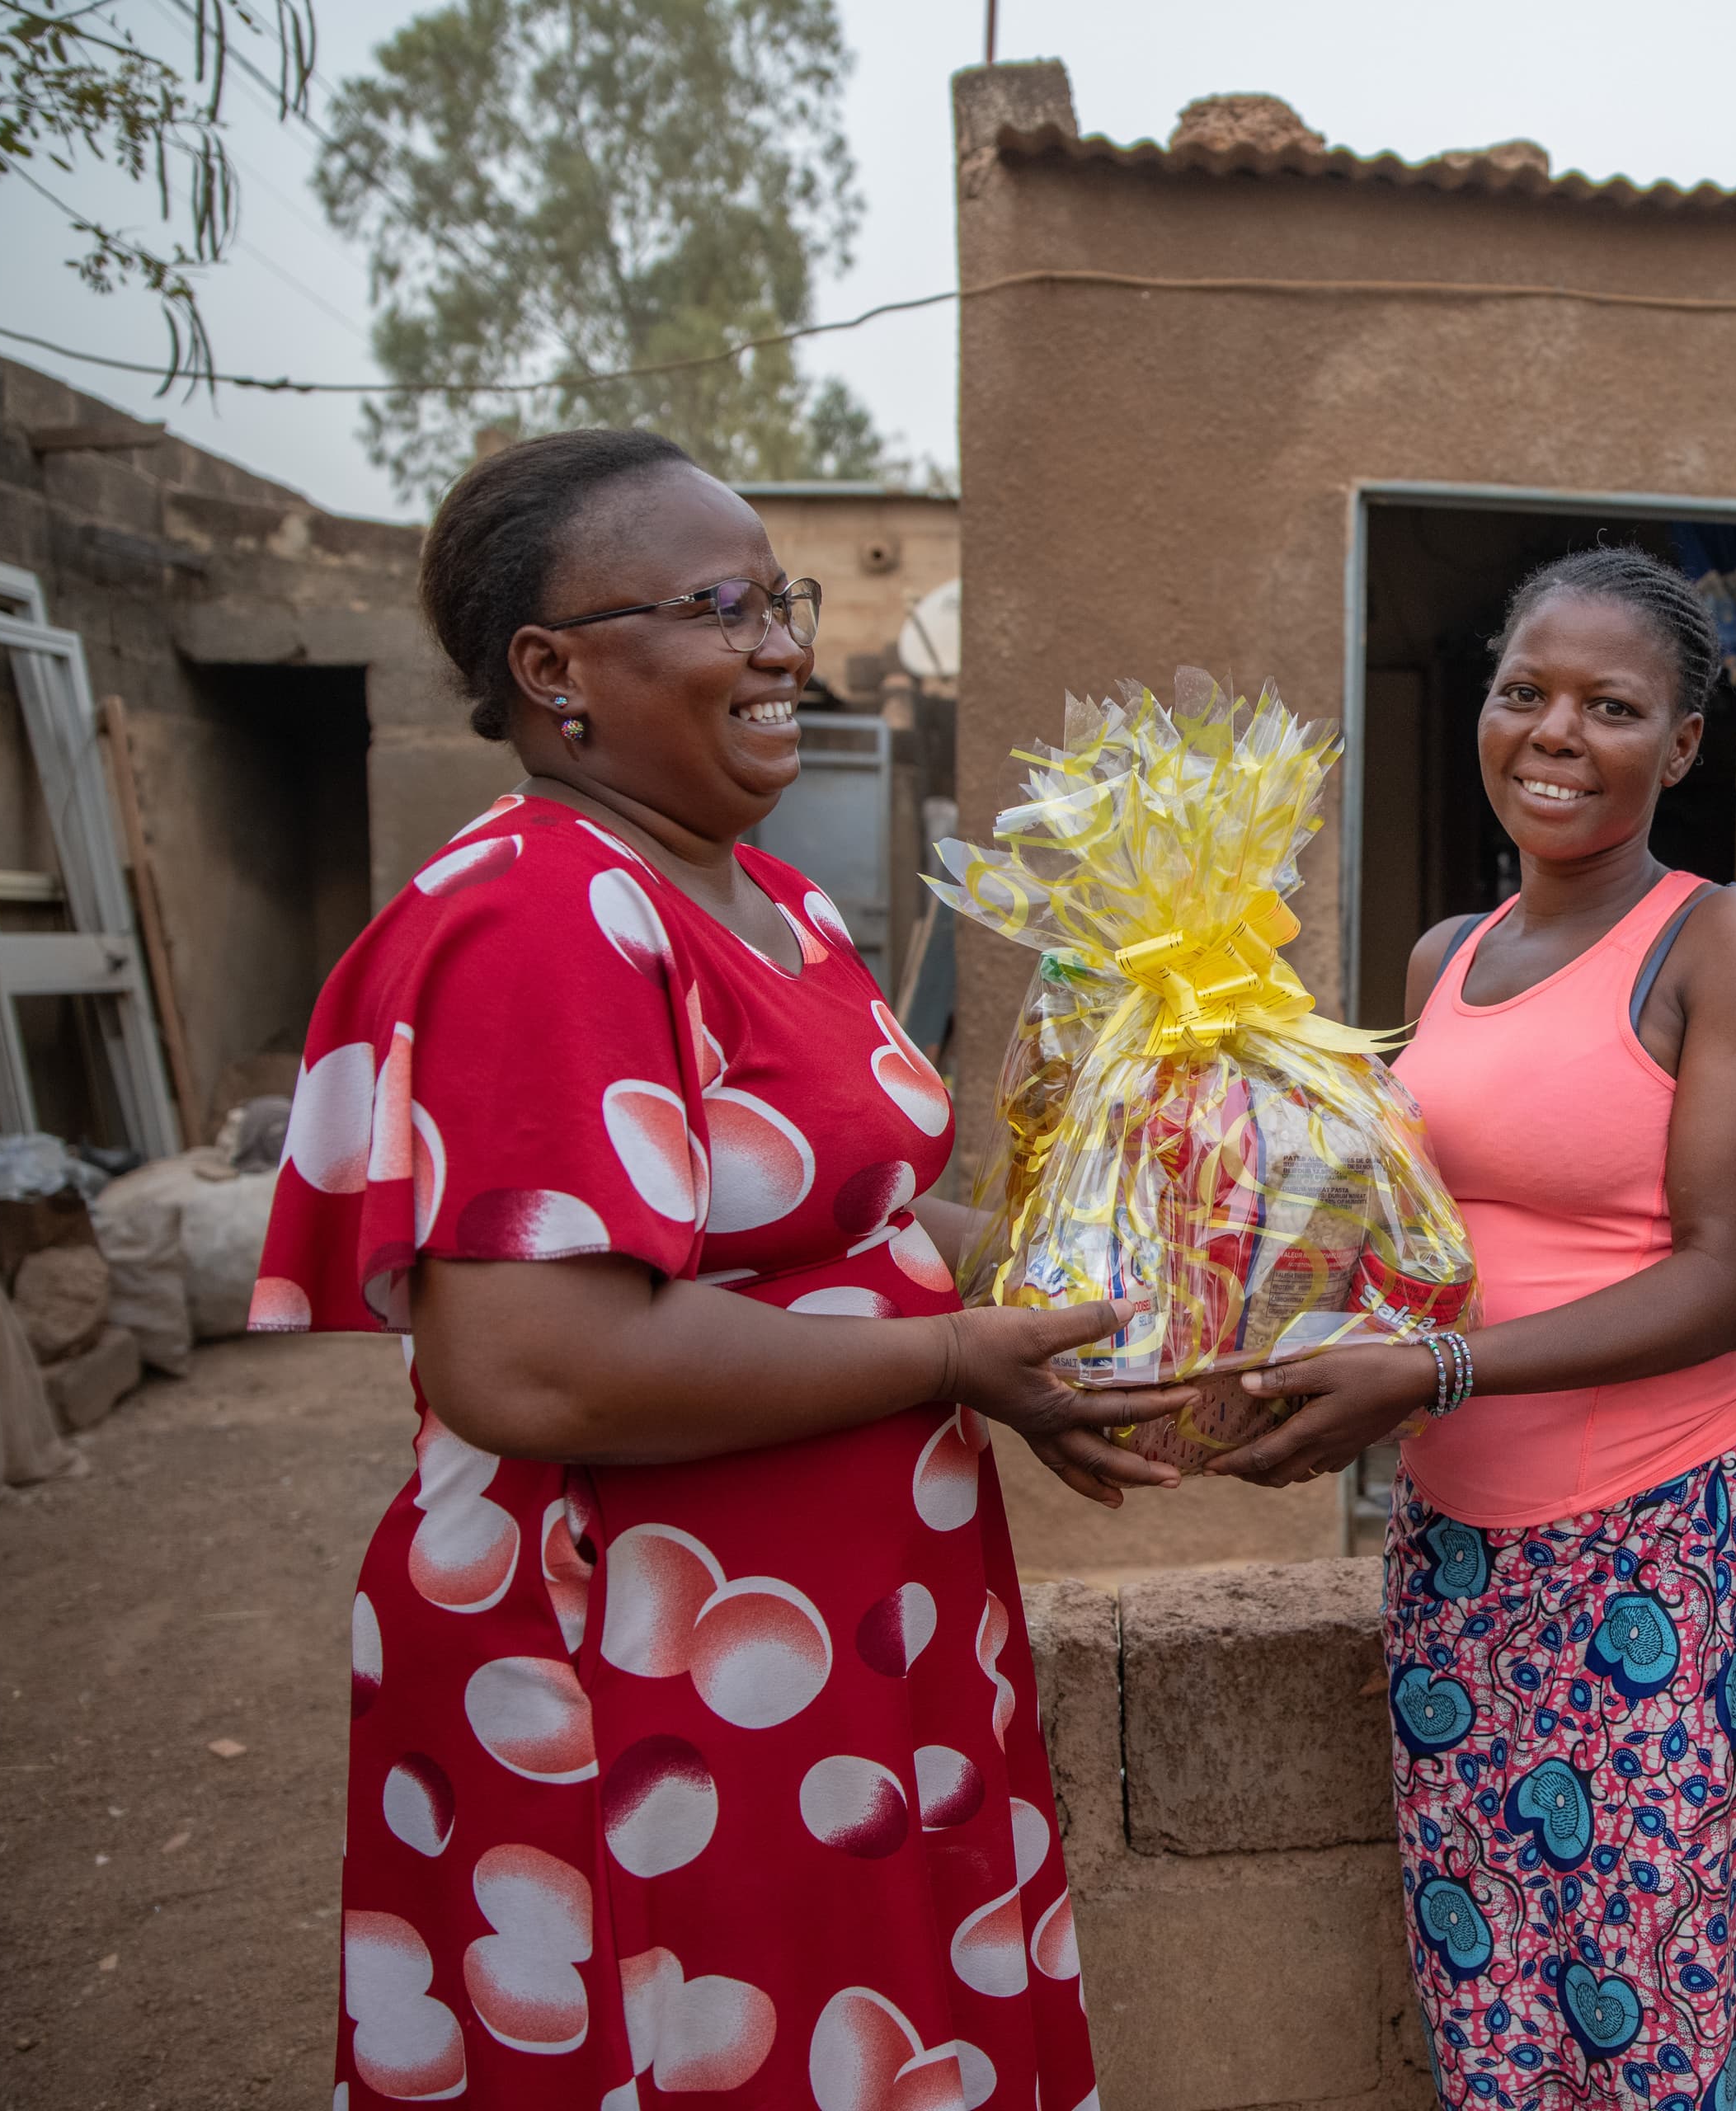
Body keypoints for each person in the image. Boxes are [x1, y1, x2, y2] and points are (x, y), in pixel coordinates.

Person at [256, 429, 1193, 2110]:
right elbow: (536, 1364)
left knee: (852, 2030)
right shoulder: (542, 914)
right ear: (556, 670)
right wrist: (949, 1358)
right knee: (712, 2037)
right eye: (721, 607)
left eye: (783, 598)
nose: (782, 644)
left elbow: (860, 1220)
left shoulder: (770, 899)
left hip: (840, 1647)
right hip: (642, 1668)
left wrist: (1131, 1269)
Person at [1206, 548, 1736, 2107]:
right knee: (1498, 1989)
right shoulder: (1448, 959)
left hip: (1654, 1547)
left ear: (1683, 746)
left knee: (1665, 1993)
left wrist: (1431, 1369)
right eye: (1526, 693)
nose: (1556, 733)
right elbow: (1418, 1237)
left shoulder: (1732, 947)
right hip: (1461, 1551)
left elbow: (1727, 1279)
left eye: (1612, 706)